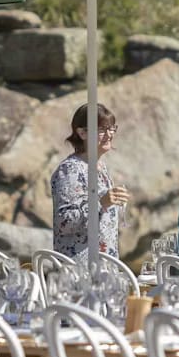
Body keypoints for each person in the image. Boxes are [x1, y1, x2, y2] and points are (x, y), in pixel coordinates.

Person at [50, 103, 127, 258]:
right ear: (82, 133)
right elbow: (63, 222)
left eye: (112, 128)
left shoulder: (101, 167)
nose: (109, 134)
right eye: (101, 130)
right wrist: (101, 203)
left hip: (104, 268)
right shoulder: (71, 170)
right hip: (79, 272)